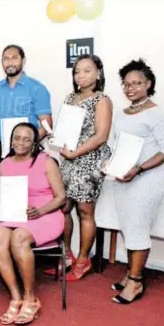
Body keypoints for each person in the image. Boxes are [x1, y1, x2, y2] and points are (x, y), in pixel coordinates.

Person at [107, 59, 164, 304]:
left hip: (147, 180)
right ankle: (130, 274)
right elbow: (114, 147)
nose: (130, 88)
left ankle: (136, 282)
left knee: (138, 228)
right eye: (126, 84)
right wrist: (109, 164)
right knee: (129, 227)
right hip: (122, 179)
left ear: (148, 84)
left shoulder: (158, 113)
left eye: (136, 83)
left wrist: (138, 169)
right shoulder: (120, 114)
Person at [0, 123, 66, 325]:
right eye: (17, 137)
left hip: (46, 214)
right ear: (11, 139)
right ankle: (16, 297)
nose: (20, 142)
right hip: (15, 215)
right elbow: (2, 199)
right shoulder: (4, 165)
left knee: (18, 237)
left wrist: (40, 211)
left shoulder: (46, 161)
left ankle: (31, 299)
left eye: (26, 139)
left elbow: (61, 197)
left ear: (34, 143)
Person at [57, 54, 112, 281]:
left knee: (84, 212)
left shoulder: (102, 100)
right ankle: (66, 254)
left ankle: (83, 259)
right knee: (63, 208)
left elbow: (101, 136)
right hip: (68, 160)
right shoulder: (71, 98)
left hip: (88, 161)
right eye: (77, 71)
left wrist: (75, 153)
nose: (81, 75)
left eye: (86, 70)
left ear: (98, 73)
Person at [0, 44, 53, 171]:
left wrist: (25, 144)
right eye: (6, 59)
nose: (10, 62)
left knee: (26, 189)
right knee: (1, 189)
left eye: (14, 58)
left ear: (23, 61)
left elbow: (46, 126)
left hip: (27, 151)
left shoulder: (37, 88)